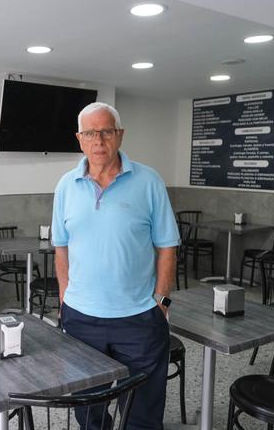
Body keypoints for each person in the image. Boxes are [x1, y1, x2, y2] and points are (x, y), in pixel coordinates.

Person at [52, 102, 179, 430]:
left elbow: (167, 246)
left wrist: (161, 302)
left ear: (119, 135)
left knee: (142, 414)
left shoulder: (149, 182)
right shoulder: (66, 185)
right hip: (81, 321)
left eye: (106, 132)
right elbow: (61, 248)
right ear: (79, 139)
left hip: (139, 320)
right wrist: (65, 300)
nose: (99, 141)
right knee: (87, 411)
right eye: (91, 133)